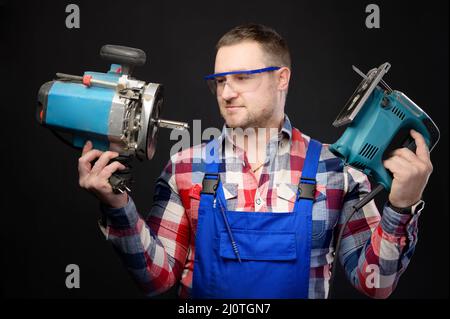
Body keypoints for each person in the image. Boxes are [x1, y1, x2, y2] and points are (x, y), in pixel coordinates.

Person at [78, 23, 433, 299]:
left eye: (242, 78)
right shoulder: (186, 168)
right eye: (219, 81)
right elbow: (155, 279)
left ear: (282, 78)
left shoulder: (337, 171)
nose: (227, 93)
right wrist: (117, 205)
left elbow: (375, 285)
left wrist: (401, 207)